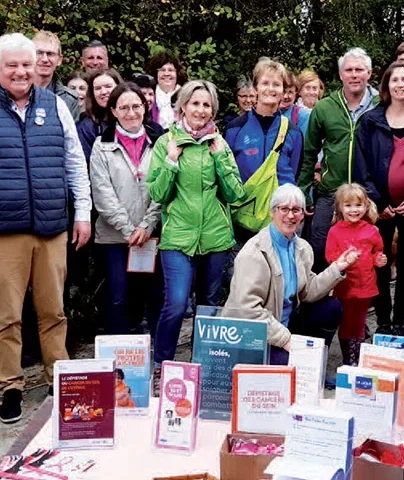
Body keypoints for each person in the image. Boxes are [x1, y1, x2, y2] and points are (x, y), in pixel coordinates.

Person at [0, 33, 92, 423]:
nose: (21, 71)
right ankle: (10, 386)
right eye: (12, 65)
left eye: (26, 64)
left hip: (51, 226)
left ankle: (59, 379)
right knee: (6, 315)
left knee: (53, 311)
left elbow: (75, 163)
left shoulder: (55, 104)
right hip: (2, 230)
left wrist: (82, 213)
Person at [147, 80, 245, 372]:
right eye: (195, 103)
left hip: (215, 237)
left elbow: (234, 194)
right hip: (178, 237)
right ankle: (161, 362)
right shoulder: (167, 142)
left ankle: (205, 365)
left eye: (206, 105)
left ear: (213, 109)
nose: (200, 110)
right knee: (176, 303)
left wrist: (220, 161)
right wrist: (171, 161)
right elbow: (157, 194)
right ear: (183, 106)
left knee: (208, 306)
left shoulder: (220, 143)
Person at [225, 184, 356, 365]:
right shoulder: (254, 253)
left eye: (296, 210)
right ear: (272, 212)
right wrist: (285, 340)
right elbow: (247, 310)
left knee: (331, 308)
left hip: (286, 323)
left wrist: (337, 268)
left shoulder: (301, 247)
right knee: (293, 370)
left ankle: (316, 365)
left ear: (303, 215)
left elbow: (308, 291)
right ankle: (303, 364)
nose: (290, 215)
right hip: (254, 336)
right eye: (283, 209)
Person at [353, 61, 404, 337]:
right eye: (395, 80)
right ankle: (383, 319)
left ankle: (400, 319)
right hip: (380, 208)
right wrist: (377, 202)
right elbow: (360, 166)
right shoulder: (370, 121)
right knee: (379, 263)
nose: (400, 84)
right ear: (386, 85)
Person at [89, 82, 165, 335]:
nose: (131, 113)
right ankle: (118, 359)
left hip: (151, 235)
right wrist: (129, 229)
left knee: (154, 297)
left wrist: (146, 226)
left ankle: (157, 359)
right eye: (124, 108)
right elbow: (102, 194)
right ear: (113, 110)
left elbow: (164, 189)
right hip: (114, 237)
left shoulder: (160, 143)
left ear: (145, 107)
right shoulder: (101, 146)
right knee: (118, 297)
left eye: (136, 106)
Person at [298, 47, 378, 272]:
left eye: (359, 70)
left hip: (369, 190)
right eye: (349, 70)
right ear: (341, 74)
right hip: (331, 189)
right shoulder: (325, 108)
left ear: (368, 74)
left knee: (370, 247)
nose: (354, 75)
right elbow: (309, 152)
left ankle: (363, 298)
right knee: (320, 245)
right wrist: (305, 191)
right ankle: (321, 298)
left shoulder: (381, 105)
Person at [225, 60, 305, 242]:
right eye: (265, 83)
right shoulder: (234, 129)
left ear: (284, 91)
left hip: (281, 219)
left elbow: (295, 171)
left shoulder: (294, 132)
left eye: (276, 84)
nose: (270, 89)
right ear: (255, 88)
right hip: (242, 219)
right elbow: (227, 172)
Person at [325, 183, 387, 366]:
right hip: (345, 286)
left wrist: (379, 260)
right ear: (340, 208)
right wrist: (344, 259)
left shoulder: (372, 230)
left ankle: (356, 356)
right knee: (345, 322)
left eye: (358, 205)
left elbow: (378, 251)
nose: (354, 210)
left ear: (366, 206)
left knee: (359, 322)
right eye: (348, 205)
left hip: (365, 286)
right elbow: (330, 256)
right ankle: (347, 357)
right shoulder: (335, 231)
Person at [32, 30, 82, 119]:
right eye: (39, 53)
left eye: (50, 54)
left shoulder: (69, 100)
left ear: (59, 60)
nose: (44, 59)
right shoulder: (14, 93)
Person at [76, 69, 124, 160]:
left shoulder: (133, 120)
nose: (103, 92)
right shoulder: (86, 127)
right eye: (98, 88)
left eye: (108, 86)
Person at [147, 51, 187, 129]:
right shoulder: (149, 96)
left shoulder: (186, 95)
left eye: (170, 70)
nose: (166, 73)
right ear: (156, 73)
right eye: (162, 70)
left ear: (177, 73)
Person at [279, 69, 312, 135]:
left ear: (295, 93)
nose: (286, 96)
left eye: (290, 92)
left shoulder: (303, 115)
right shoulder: (266, 113)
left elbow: (303, 143)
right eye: (283, 92)